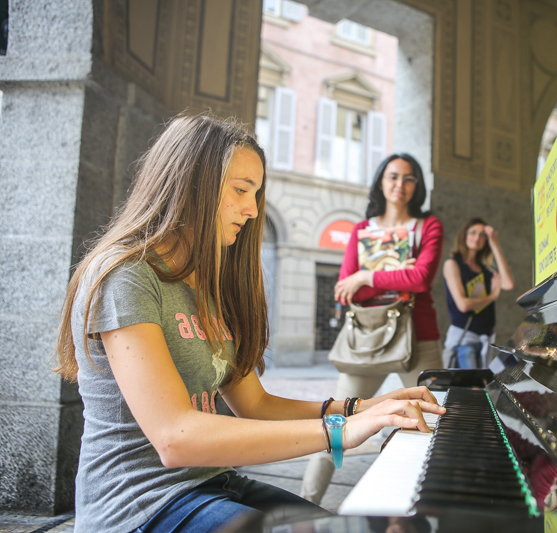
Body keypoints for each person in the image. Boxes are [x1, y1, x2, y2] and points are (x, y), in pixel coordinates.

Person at [53, 115, 444, 533]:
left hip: (212, 482)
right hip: (140, 507)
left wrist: (364, 408)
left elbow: (255, 405)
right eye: (241, 190)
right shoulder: (125, 276)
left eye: (255, 193)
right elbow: (174, 437)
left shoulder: (207, 281)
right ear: (189, 183)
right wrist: (340, 431)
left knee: (331, 526)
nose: (253, 209)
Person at [301, 153, 444, 504]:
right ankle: (303, 508)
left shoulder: (429, 226)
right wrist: (395, 276)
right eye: (393, 176)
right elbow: (344, 289)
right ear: (381, 181)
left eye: (409, 178)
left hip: (420, 340)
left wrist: (367, 275)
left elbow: (421, 278)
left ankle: (424, 507)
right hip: (367, 340)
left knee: (436, 423)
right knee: (333, 423)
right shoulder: (362, 231)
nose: (400, 185)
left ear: (417, 185)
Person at [442, 218, 514, 368]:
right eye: (473, 232)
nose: (477, 237)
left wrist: (495, 246)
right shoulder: (453, 264)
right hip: (464, 338)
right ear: (464, 235)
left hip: (485, 339)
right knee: (473, 387)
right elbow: (463, 305)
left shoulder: (485, 271)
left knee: (482, 386)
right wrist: (492, 296)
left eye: (483, 235)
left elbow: (508, 283)